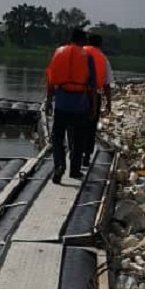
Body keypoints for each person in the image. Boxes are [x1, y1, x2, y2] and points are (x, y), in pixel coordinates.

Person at [45, 27, 97, 182]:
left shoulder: (59, 53)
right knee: (78, 138)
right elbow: (93, 85)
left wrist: (48, 101)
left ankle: (59, 165)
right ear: (83, 41)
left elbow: (51, 80)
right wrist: (94, 106)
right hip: (80, 105)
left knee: (57, 137)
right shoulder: (88, 57)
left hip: (61, 103)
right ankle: (74, 171)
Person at [84, 32, 113, 168]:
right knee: (90, 128)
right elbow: (107, 84)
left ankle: (74, 155)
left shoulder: (79, 54)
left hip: (77, 95)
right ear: (100, 45)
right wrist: (109, 103)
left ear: (87, 42)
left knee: (76, 126)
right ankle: (87, 155)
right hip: (94, 97)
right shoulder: (103, 59)